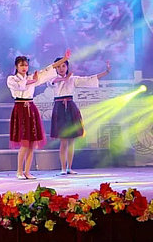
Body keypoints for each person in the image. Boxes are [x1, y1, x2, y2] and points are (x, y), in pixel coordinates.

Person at [7, 50, 70, 180]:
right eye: (21, 65)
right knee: (24, 143)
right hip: (20, 108)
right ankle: (19, 171)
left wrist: (64, 59)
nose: (24, 68)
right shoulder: (12, 79)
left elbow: (48, 69)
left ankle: (27, 171)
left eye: (26, 65)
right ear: (16, 66)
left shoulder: (32, 77)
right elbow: (19, 87)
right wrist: (33, 81)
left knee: (32, 144)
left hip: (31, 108)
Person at [49, 57, 110, 175]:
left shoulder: (73, 79)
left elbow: (89, 80)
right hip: (59, 109)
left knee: (71, 140)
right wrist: (65, 78)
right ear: (55, 68)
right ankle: (62, 168)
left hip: (70, 108)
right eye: (58, 66)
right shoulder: (52, 79)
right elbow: (55, 81)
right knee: (63, 141)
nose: (61, 69)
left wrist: (106, 72)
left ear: (67, 67)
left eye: (63, 66)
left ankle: (69, 167)